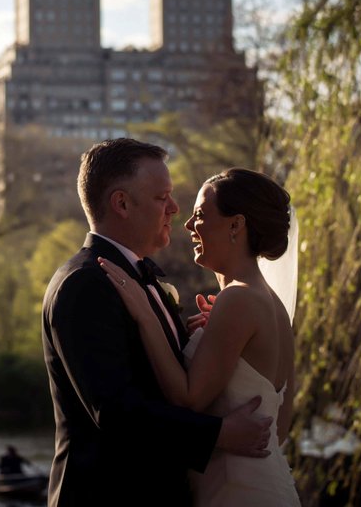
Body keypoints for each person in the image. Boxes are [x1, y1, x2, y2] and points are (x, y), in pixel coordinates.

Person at [41, 138, 273, 507]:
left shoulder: (136, 277)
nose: (175, 209)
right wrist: (218, 435)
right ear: (121, 204)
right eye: (161, 197)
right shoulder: (84, 285)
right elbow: (116, 412)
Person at [99, 166, 301, 506]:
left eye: (199, 216)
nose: (189, 226)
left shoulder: (239, 299)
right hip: (265, 483)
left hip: (236, 492)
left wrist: (145, 316)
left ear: (236, 224)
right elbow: (279, 427)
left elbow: (189, 399)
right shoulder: (272, 305)